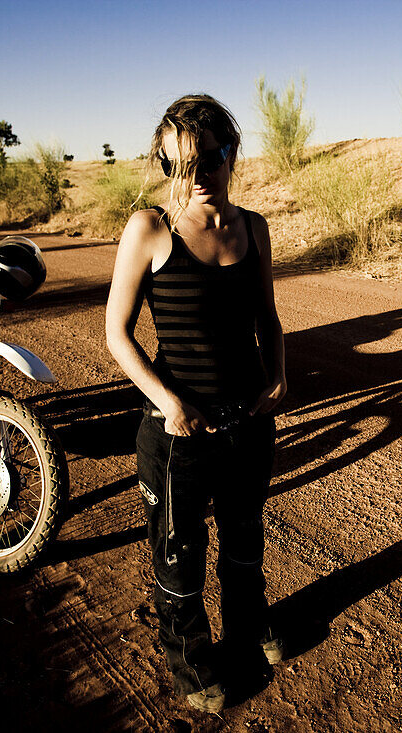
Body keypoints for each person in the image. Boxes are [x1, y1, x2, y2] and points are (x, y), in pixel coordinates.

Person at [104, 94, 287, 714]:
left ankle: (246, 627)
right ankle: (189, 660)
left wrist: (278, 377)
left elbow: (267, 316)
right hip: (177, 432)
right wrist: (169, 403)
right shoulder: (150, 230)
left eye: (213, 156)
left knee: (244, 539)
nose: (200, 173)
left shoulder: (252, 227)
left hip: (246, 423)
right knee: (180, 554)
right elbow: (118, 334)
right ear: (164, 165)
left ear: (233, 153)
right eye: (183, 163)